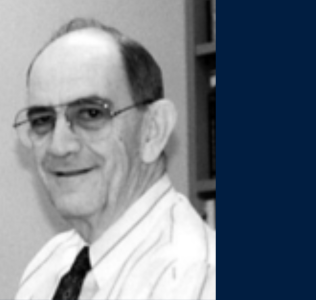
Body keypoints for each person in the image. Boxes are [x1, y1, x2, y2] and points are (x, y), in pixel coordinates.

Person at [14, 18, 216, 300]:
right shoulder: (48, 267)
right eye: (42, 120)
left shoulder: (199, 280)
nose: (59, 147)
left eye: (91, 114)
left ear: (153, 131)